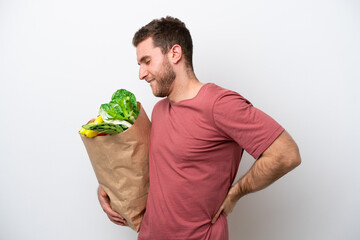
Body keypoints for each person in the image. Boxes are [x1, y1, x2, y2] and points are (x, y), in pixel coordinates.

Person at [97, 16, 301, 240]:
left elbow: (286, 154)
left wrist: (236, 192)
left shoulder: (219, 104)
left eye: (147, 61)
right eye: (139, 65)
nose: (141, 74)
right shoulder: (159, 110)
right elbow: (149, 170)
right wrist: (109, 190)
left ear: (175, 53)